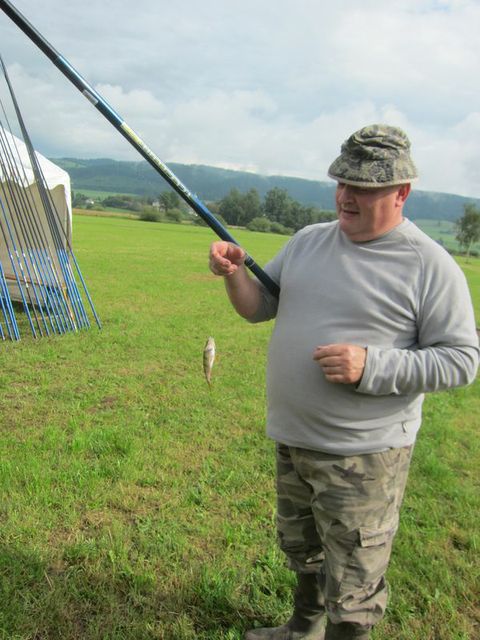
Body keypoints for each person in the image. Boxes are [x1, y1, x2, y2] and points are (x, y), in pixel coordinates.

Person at [208, 124, 479, 640]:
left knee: (354, 581)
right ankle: (302, 629)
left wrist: (371, 366)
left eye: (363, 187)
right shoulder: (309, 241)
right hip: (295, 439)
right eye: (341, 182)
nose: (345, 196)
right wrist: (235, 274)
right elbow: (258, 307)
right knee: (303, 551)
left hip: (364, 457)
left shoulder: (429, 265)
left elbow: (462, 360)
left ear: (401, 192)